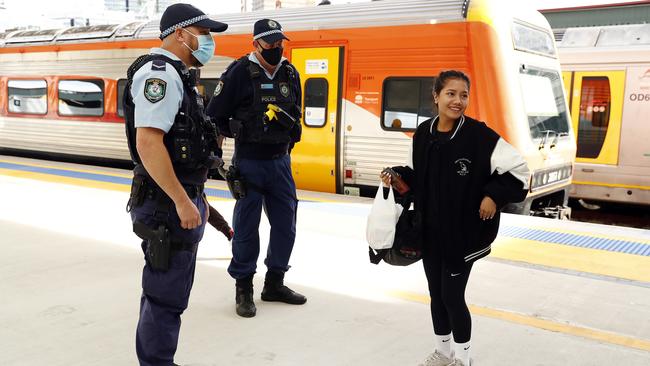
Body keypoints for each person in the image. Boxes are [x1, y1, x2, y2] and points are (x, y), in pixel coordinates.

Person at [381, 70, 530, 366]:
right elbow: (414, 176)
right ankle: (443, 352)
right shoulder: (423, 133)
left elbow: (519, 172)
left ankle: (463, 358)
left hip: (463, 234)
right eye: (451, 94)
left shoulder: (479, 136)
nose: (458, 101)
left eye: (463, 95)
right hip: (430, 230)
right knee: (435, 294)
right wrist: (396, 177)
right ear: (436, 97)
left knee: (452, 296)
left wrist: (493, 196)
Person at [122, 3, 227, 365]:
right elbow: (148, 143)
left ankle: (156, 359)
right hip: (167, 205)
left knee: (165, 290)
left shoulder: (178, 75)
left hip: (175, 198)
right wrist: (183, 201)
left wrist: (197, 198)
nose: (209, 41)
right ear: (180, 33)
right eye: (205, 33)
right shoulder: (161, 75)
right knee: (165, 294)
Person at [206, 18, 305, 318]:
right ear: (256, 44)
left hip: (280, 162)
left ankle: (274, 283)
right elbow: (215, 115)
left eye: (279, 43)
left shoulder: (289, 72)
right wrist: (228, 143)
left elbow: (296, 112)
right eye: (270, 43)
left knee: (286, 225)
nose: (276, 48)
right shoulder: (238, 72)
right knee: (247, 229)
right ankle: (244, 287)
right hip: (248, 163)